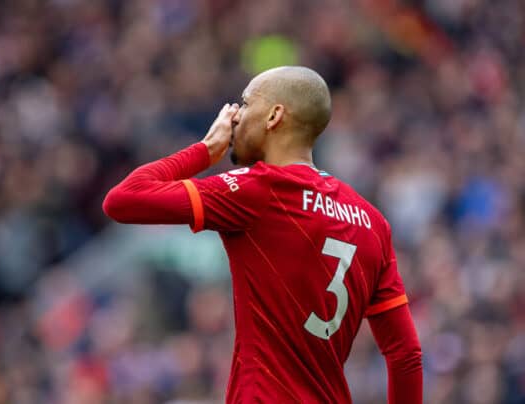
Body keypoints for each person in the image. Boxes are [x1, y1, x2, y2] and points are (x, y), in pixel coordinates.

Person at [103, 66, 422, 403]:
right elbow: (405, 354)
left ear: (274, 116)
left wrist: (206, 150)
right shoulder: (373, 223)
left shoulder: (258, 190)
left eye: (245, 103)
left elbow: (123, 200)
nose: (234, 117)